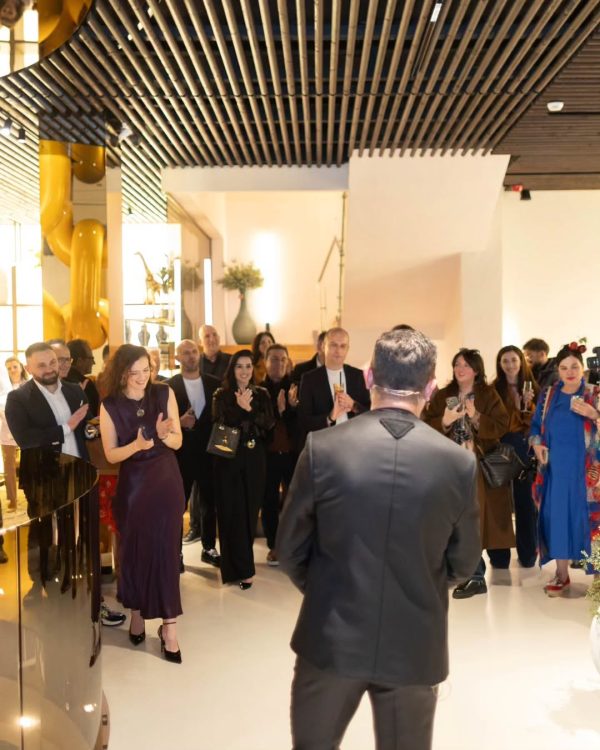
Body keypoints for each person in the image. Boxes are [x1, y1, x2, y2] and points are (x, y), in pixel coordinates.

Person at [277, 328, 481, 750]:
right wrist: (417, 584)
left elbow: (291, 550)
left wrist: (330, 590)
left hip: (330, 638)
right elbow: (463, 564)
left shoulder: (322, 448)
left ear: (369, 377)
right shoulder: (457, 464)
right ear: (430, 387)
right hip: (414, 642)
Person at [4, 343, 125, 626]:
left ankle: (85, 595)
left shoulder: (74, 390)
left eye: (52, 363)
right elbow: (26, 439)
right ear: (29, 367)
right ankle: (40, 585)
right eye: (41, 365)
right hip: (43, 478)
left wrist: (91, 428)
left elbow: (84, 430)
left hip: (78, 475)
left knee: (81, 534)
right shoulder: (18, 398)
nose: (50, 369)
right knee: (43, 533)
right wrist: (66, 427)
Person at [100, 345, 185, 660]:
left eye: (146, 370)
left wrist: (162, 436)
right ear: (121, 373)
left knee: (166, 552)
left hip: (166, 482)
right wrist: (137, 444)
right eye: (133, 372)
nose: (141, 378)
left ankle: (169, 627)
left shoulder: (163, 393)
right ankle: (136, 612)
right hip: (134, 487)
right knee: (134, 551)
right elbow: (111, 454)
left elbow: (178, 441)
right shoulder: (110, 405)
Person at [424, 348, 513, 599]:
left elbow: (502, 425)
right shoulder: (444, 395)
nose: (460, 369)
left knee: (475, 518)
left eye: (465, 365)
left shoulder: (488, 394)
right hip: (448, 465)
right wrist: (444, 421)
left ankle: (475, 575)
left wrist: (476, 416)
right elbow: (426, 424)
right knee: (452, 517)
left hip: (477, 466)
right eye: (457, 364)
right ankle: (465, 571)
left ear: (476, 370)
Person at [529, 342, 600, 596]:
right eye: (564, 367)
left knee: (591, 521)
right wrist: (536, 444)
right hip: (555, 471)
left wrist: (594, 414)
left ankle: (598, 578)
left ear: (582, 369)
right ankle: (561, 575)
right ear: (557, 370)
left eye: (574, 367)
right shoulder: (548, 395)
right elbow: (535, 427)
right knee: (557, 518)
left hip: (588, 473)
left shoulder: (594, 393)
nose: (569, 372)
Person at [212, 349, 274, 589]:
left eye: (248, 366)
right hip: (228, 459)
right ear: (232, 369)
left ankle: (245, 566)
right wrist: (238, 408)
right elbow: (219, 424)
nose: (245, 371)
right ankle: (235, 570)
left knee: (249, 511)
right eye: (240, 366)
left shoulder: (262, 394)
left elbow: (268, 424)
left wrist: (248, 409)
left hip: (255, 458)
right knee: (231, 511)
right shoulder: (221, 394)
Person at [168, 339, 221, 566]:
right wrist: (179, 423)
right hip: (181, 453)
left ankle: (209, 548)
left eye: (194, 352)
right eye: (185, 353)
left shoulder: (214, 383)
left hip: (209, 452)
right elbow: (162, 422)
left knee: (210, 501)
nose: (191, 356)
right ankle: (176, 553)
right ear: (177, 358)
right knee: (178, 503)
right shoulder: (168, 387)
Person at [492, 345, 539, 567]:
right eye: (505, 361)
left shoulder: (534, 389)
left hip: (525, 450)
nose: (510, 365)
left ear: (521, 362)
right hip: (499, 449)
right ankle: (499, 557)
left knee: (526, 503)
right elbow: (498, 425)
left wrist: (526, 407)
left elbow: (535, 425)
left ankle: (528, 555)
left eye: (514, 360)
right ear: (499, 365)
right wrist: (517, 410)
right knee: (498, 504)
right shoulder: (493, 390)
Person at [259, 344, 299, 566]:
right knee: (269, 501)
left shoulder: (295, 387)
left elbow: (301, 423)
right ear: (265, 362)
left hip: (292, 454)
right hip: (268, 455)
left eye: (283, 359)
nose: (279, 363)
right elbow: (260, 425)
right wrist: (279, 411)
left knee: (293, 501)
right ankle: (274, 545)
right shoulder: (259, 390)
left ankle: (291, 544)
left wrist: (291, 408)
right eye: (274, 359)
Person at [297, 327, 370, 447]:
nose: (338, 351)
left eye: (342, 346)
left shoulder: (358, 376)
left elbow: (370, 414)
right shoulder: (309, 379)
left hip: (354, 444)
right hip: (324, 445)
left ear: (347, 349)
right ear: (323, 346)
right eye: (333, 345)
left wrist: (354, 406)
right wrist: (330, 417)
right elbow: (304, 420)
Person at [0, 356, 27, 513]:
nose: (12, 370)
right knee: (8, 465)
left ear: (21, 367)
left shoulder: (29, 386)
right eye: (9, 368)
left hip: (26, 431)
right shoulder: (2, 389)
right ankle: (12, 499)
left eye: (14, 367)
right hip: (6, 431)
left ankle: (31, 493)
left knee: (29, 461)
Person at [66, 338, 100, 417]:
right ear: (80, 361)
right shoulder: (86, 384)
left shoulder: (58, 381)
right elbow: (91, 416)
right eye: (91, 358)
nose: (94, 363)